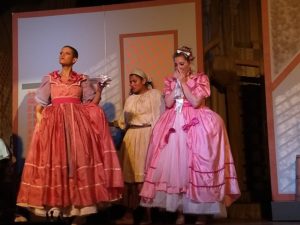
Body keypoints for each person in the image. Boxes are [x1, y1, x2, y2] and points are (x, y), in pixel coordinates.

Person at [16, 45, 124, 225]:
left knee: (77, 162)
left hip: (77, 124)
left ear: (74, 59)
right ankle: (57, 207)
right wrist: (40, 121)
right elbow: (40, 105)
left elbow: (91, 105)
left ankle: (78, 210)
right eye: (60, 52)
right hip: (54, 126)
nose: (62, 55)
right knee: (57, 162)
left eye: (66, 53)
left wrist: (99, 91)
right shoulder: (50, 78)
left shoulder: (82, 79)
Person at [140, 46, 240, 224]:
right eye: (176, 64)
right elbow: (169, 103)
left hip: (195, 121)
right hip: (174, 122)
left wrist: (184, 83)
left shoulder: (201, 78)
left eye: (182, 63)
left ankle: (201, 213)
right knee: (177, 169)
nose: (179, 67)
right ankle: (181, 211)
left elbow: (195, 102)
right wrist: (176, 83)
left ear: (189, 62)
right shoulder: (171, 80)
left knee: (198, 164)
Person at [115, 69, 165, 224]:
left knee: (143, 178)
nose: (132, 84)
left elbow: (160, 116)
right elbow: (123, 121)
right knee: (129, 178)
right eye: (130, 82)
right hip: (131, 136)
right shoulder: (130, 99)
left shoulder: (155, 95)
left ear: (144, 81)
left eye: (134, 81)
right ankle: (129, 214)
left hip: (147, 136)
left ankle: (148, 216)